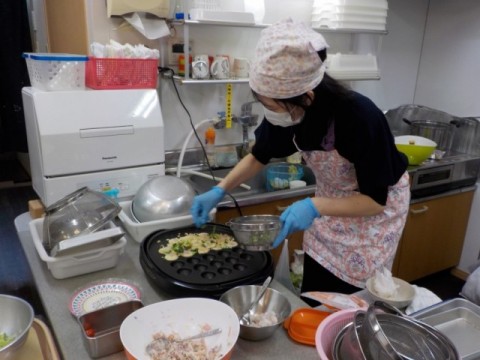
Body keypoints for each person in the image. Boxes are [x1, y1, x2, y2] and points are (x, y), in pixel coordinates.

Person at [190, 18, 410, 296]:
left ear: (306, 96)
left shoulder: (359, 118)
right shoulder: (287, 112)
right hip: (331, 204)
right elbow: (259, 155)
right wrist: (219, 190)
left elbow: (375, 200)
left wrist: (314, 206)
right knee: (316, 282)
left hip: (371, 214)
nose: (268, 111)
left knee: (350, 295)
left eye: (270, 104)